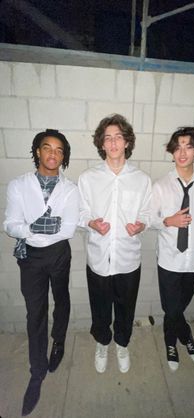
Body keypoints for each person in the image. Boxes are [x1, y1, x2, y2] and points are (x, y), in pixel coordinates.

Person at [4, 129, 79, 415]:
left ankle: (58, 342)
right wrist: (36, 229)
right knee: (35, 312)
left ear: (63, 156)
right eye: (47, 148)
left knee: (61, 300)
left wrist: (32, 228)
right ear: (37, 151)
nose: (53, 154)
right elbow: (10, 224)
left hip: (59, 253)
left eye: (59, 150)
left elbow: (69, 228)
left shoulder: (70, 189)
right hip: (31, 258)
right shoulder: (18, 185)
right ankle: (37, 373)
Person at [78, 114, 151, 374]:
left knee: (125, 307)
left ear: (127, 142)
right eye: (107, 138)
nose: (113, 142)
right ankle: (102, 342)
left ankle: (122, 343)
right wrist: (91, 223)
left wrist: (140, 225)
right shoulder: (88, 178)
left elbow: (147, 213)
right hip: (98, 258)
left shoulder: (142, 179)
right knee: (99, 307)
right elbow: (80, 213)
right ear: (101, 144)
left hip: (129, 258)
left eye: (118, 137)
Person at [151, 127, 194, 372]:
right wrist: (169, 221)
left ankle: (175, 333)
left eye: (188, 146)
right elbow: (150, 219)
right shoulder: (160, 185)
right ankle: (180, 338)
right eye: (178, 147)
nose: (182, 152)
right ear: (172, 152)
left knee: (178, 307)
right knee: (171, 307)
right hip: (169, 259)